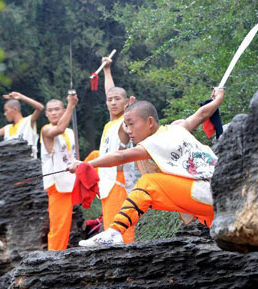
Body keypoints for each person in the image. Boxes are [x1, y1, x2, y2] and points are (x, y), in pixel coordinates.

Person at [68, 88, 225, 247]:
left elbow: (120, 156)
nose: (129, 131)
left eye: (131, 124)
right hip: (222, 193)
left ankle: (116, 231)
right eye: (126, 126)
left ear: (150, 122)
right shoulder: (177, 127)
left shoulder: (154, 142)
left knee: (149, 183)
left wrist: (87, 164)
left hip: (209, 192)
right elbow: (202, 114)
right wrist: (218, 98)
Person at [90, 57, 138, 243]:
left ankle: (129, 269)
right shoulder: (109, 124)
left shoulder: (125, 122)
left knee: (122, 233)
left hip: (120, 183)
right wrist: (107, 70)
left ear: (126, 102)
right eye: (109, 100)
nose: (112, 102)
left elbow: (125, 133)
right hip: (107, 184)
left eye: (117, 99)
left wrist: (129, 111)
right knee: (112, 230)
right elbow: (110, 91)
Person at [41, 94, 78, 250]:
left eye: (57, 109)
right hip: (57, 184)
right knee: (59, 226)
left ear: (62, 111)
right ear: (46, 114)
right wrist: (71, 105)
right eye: (50, 110)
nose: (54, 113)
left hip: (71, 180)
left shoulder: (69, 132)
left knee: (96, 156)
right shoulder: (46, 129)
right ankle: (53, 258)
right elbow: (59, 128)